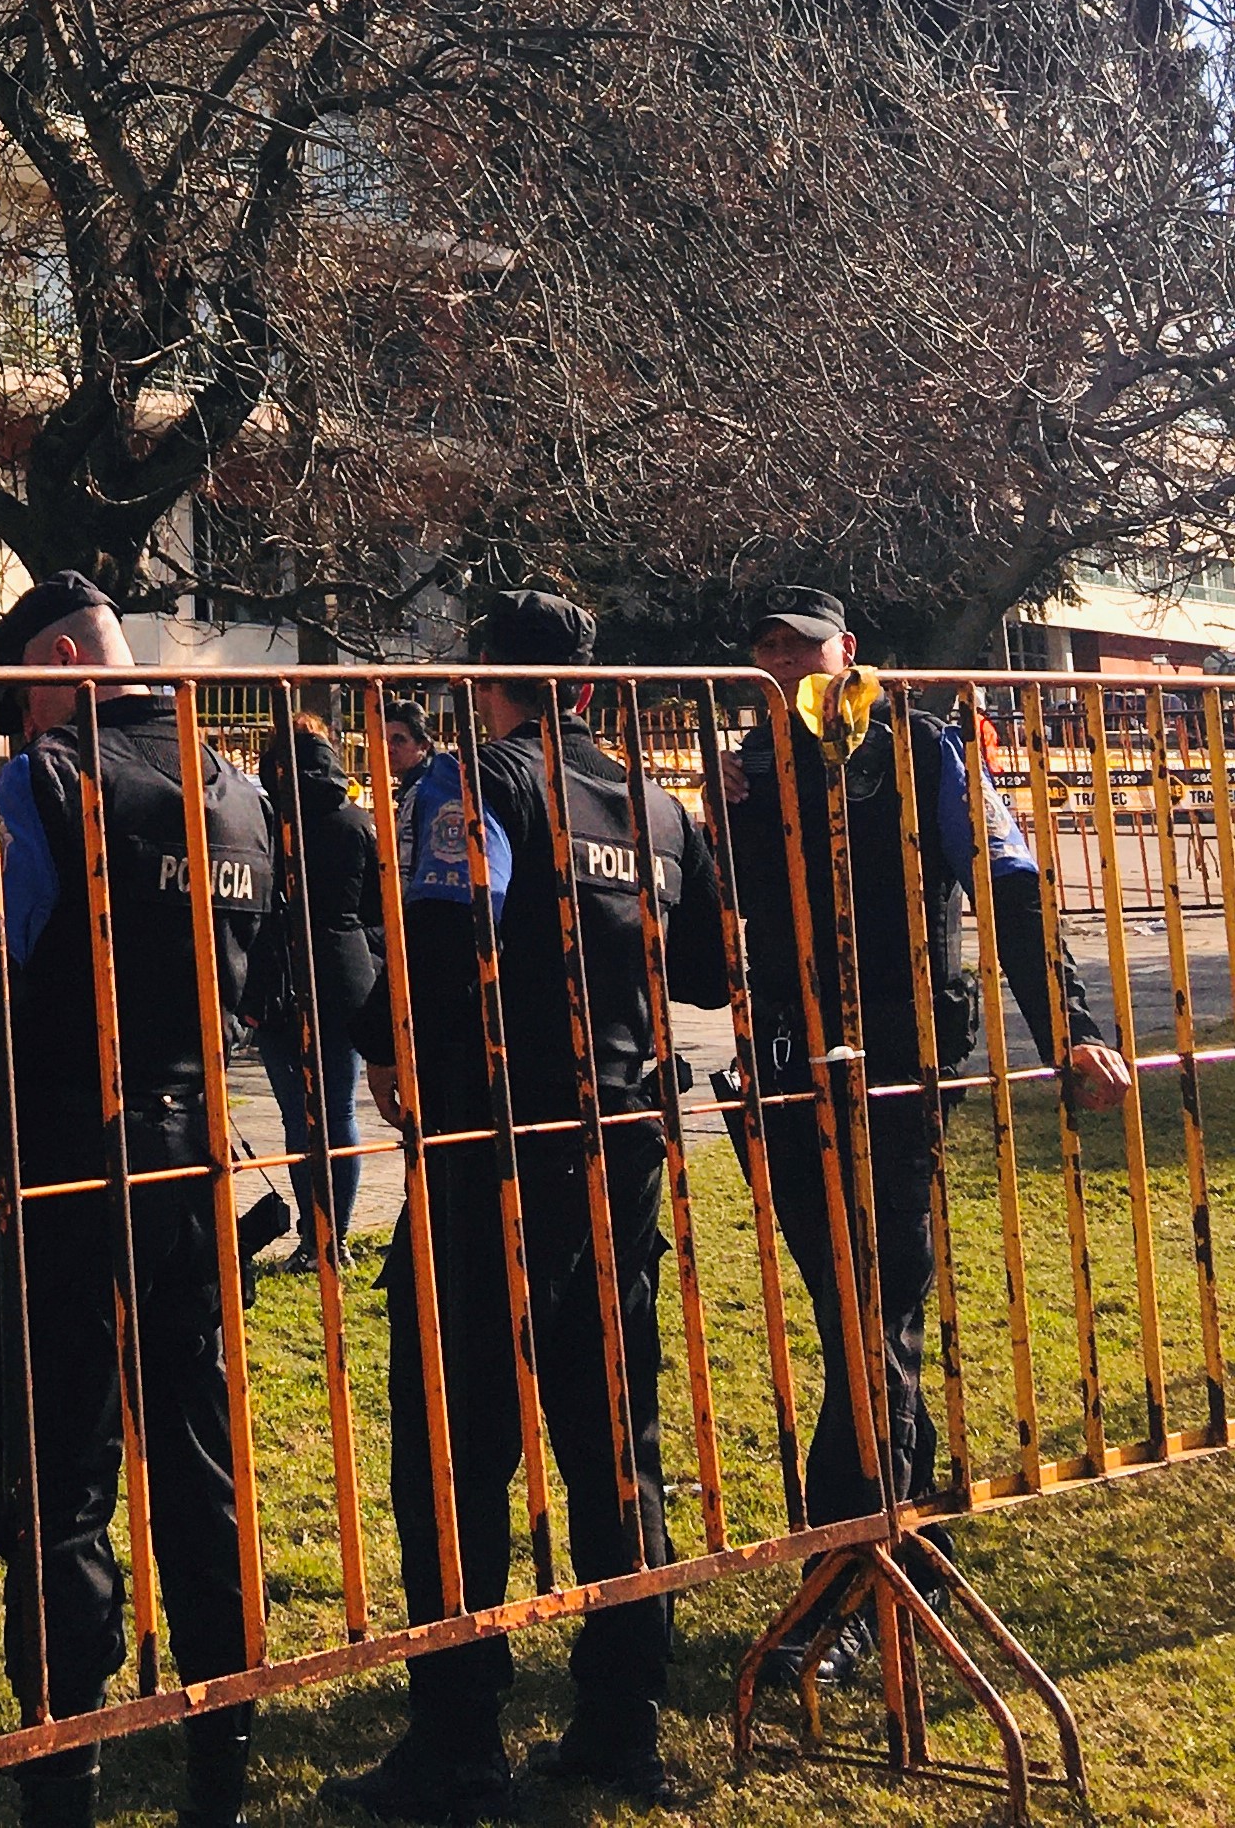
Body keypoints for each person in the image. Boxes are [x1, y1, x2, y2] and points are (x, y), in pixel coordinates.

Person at [326, 591, 732, 1820]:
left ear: (482, 675)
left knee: (453, 1451)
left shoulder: (473, 785)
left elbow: (436, 950)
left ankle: (456, 1735)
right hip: (618, 1152)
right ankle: (622, 1719)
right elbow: (711, 969)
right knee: (615, 1442)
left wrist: (385, 1050)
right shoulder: (655, 806)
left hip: (490, 1153)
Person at [0, 572, 278, 1828]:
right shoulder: (232, 787)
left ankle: (61, 1767)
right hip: (195, 1159)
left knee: (55, 1474)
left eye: (18, 690)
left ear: (64, 660)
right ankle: (217, 1766)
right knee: (198, 1458)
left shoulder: (50, 779)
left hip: (66, 1162)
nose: (11, 718)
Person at [725, 586, 1128, 1680]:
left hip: (895, 1072)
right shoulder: (746, 766)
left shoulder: (919, 747)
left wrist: (1067, 1033)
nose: (780, 665)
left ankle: (852, 1582)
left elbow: (1006, 885)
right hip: (783, 1070)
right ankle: (904, 1544)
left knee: (874, 1314)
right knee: (851, 1314)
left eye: (799, 647)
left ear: (846, 651)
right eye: (764, 648)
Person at [242, 714, 382, 1270]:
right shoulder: (357, 821)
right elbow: (377, 908)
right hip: (344, 977)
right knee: (340, 1110)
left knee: (298, 1117)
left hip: (279, 977)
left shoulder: (265, 819)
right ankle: (336, 1238)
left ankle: (313, 1234)